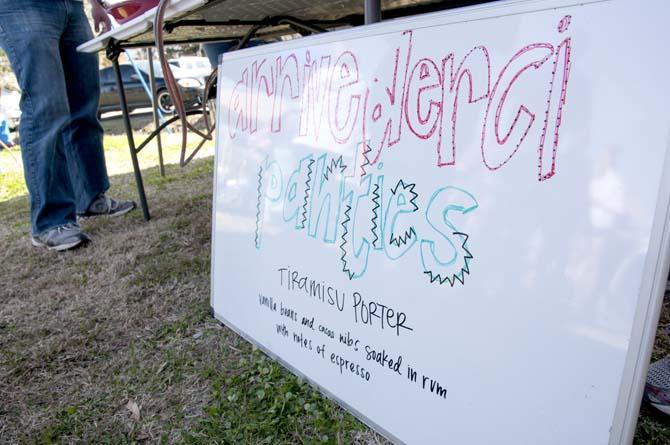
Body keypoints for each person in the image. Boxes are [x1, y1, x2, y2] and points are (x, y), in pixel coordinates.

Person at [0, 0, 135, 251]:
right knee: (46, 106)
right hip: (22, 7)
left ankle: (90, 197)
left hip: (72, 7)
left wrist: (94, 4)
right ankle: (50, 221)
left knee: (84, 105)